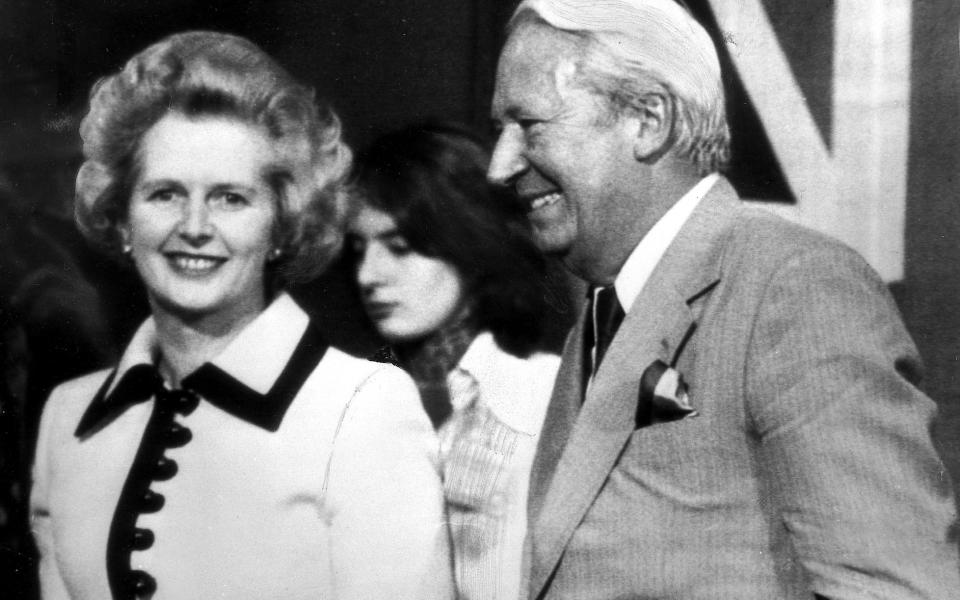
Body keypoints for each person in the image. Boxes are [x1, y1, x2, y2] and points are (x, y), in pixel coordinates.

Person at [487, 1, 960, 598]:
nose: (499, 167)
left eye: (529, 125)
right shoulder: (609, 307)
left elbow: (897, 588)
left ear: (647, 119)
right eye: (498, 131)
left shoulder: (793, 287)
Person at [30, 31, 452, 600]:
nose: (197, 226)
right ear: (122, 218)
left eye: (232, 197)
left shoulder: (362, 408)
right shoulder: (69, 418)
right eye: (165, 194)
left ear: (281, 225)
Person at [347, 122, 560, 600]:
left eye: (399, 248)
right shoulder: (352, 401)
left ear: (467, 243)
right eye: (358, 249)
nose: (369, 275)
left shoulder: (544, 395)